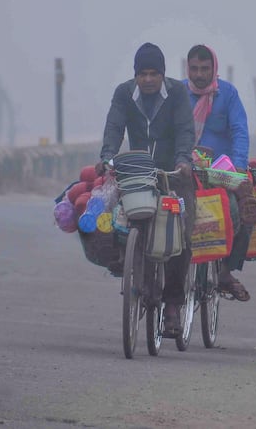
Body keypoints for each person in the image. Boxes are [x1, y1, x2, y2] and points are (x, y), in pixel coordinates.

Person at [97, 42, 196, 336]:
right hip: (138, 174)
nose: (149, 79)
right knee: (125, 225)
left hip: (174, 174)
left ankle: (174, 306)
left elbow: (185, 130)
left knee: (180, 234)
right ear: (136, 75)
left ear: (163, 75)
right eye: (143, 74)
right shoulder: (123, 94)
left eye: (154, 73)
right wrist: (107, 157)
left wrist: (183, 161)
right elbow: (114, 128)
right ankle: (136, 276)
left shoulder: (177, 93)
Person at [183, 44, 252, 301]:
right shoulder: (178, 92)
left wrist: (239, 169)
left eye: (205, 68)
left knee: (240, 211)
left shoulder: (229, 94)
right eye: (194, 69)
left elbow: (240, 132)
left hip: (222, 172)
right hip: (184, 167)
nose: (199, 74)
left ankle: (225, 272)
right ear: (187, 68)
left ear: (214, 69)